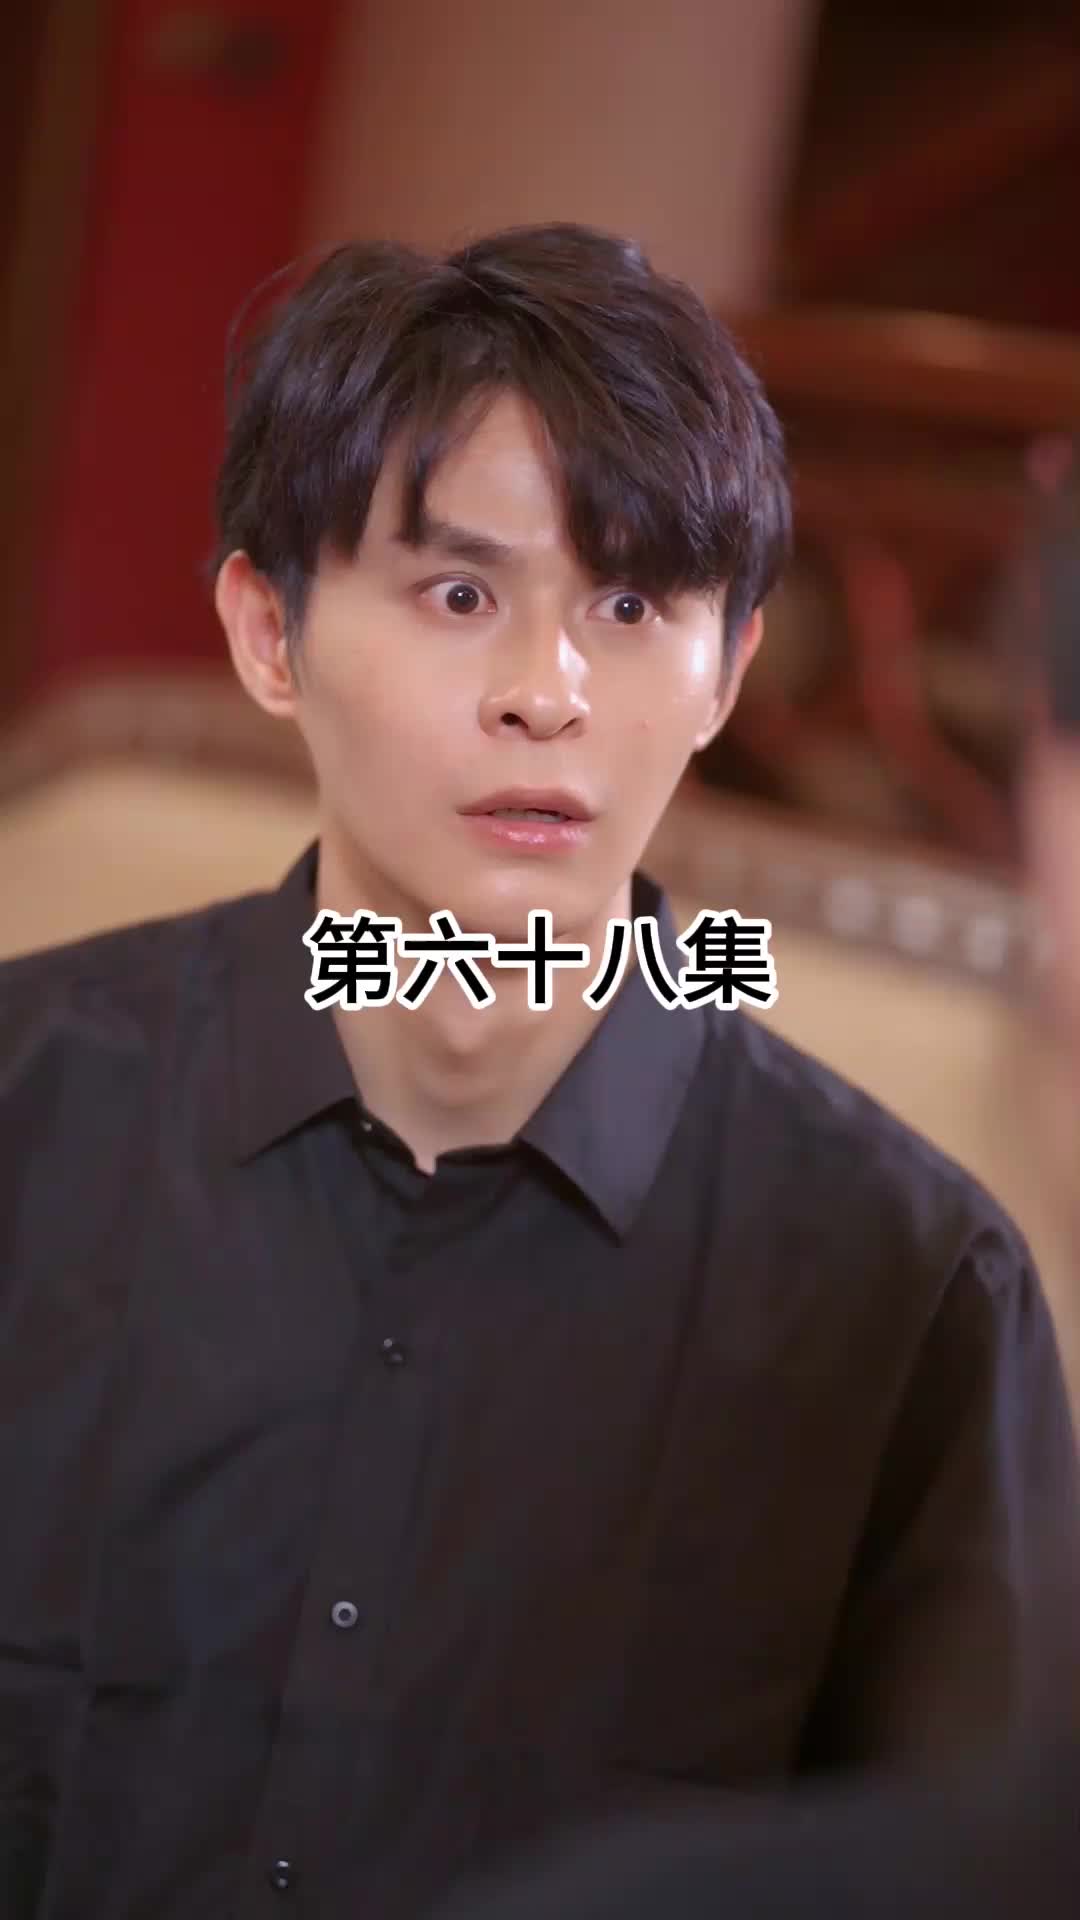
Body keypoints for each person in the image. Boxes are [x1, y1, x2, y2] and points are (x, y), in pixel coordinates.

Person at [1, 224, 1077, 1920]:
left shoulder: (908, 1291)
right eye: (460, 595)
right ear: (268, 632)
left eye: (633, 606)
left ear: (730, 670)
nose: (547, 694)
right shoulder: (30, 1115)